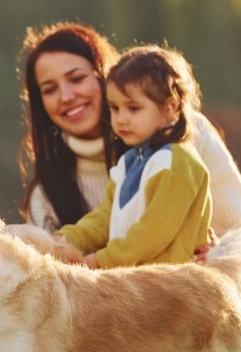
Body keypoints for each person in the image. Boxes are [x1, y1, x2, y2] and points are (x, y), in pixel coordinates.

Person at [18, 23, 241, 244]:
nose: (66, 96)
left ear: (106, 75)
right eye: (49, 90)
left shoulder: (189, 136)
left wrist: (218, 255)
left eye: (77, 78)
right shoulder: (44, 198)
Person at [55, 44, 210, 268]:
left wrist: (100, 260)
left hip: (170, 290)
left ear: (171, 107)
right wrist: (65, 241)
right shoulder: (128, 163)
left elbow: (153, 233)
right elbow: (104, 218)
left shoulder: (177, 162)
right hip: (133, 287)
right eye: (115, 108)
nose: (121, 119)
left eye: (134, 108)